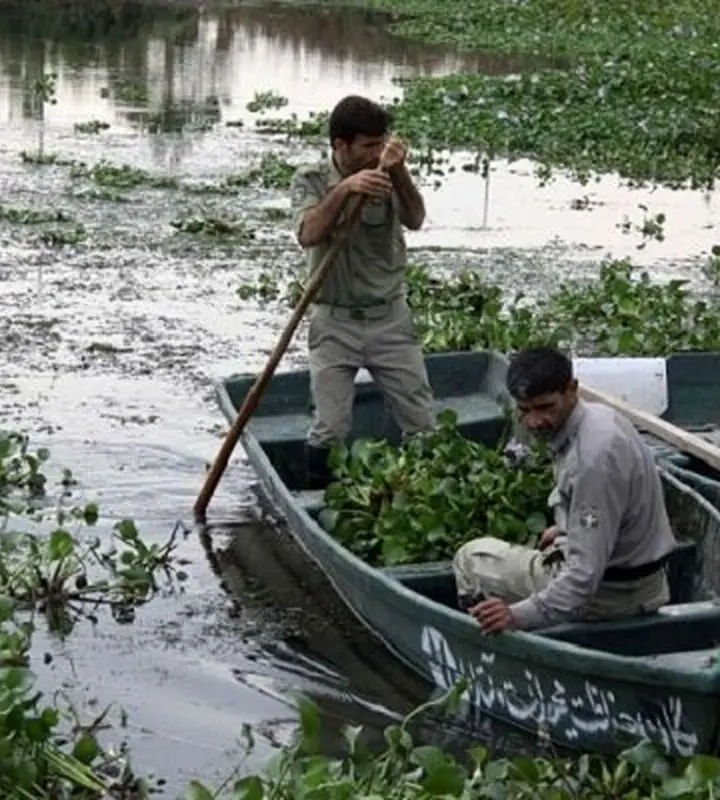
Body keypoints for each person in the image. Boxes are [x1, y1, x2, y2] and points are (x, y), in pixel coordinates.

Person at [455, 346, 678, 635]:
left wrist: (515, 616)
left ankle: (489, 638)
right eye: (524, 410)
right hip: (646, 582)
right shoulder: (601, 418)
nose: (534, 421)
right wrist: (565, 529)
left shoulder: (592, 460)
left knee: (471, 557)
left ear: (572, 389)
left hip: (609, 598)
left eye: (546, 408)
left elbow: (583, 579)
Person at [289, 94, 434, 489]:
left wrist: (398, 171)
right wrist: (346, 191)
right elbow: (309, 234)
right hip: (334, 322)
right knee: (330, 428)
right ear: (341, 146)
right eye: (368, 146)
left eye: (379, 143)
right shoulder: (311, 179)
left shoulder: (388, 173)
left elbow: (416, 218)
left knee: (422, 424)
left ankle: (420, 493)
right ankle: (318, 500)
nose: (376, 153)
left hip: (389, 319)